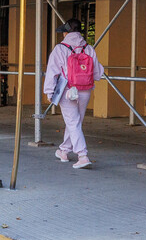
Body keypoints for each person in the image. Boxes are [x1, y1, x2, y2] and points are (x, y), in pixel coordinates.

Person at [43, 18, 104, 169]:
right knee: (75, 122)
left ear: (67, 32)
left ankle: (82, 155)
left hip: (67, 90)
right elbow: (97, 73)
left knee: (73, 122)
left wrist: (49, 91)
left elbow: (52, 72)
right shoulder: (88, 48)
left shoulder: (60, 48)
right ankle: (64, 151)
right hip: (85, 90)